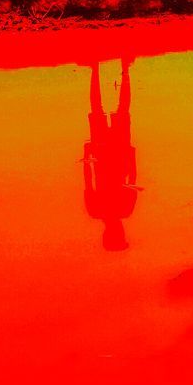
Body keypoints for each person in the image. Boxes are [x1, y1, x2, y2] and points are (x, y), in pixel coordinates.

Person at [83, 58, 140, 250]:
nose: (122, 231)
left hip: (113, 155)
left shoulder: (118, 210)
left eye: (120, 235)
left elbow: (132, 177)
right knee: (109, 109)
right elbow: (131, 178)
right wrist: (87, 157)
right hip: (111, 155)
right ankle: (101, 67)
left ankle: (110, 68)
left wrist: (131, 156)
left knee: (114, 109)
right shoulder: (99, 211)